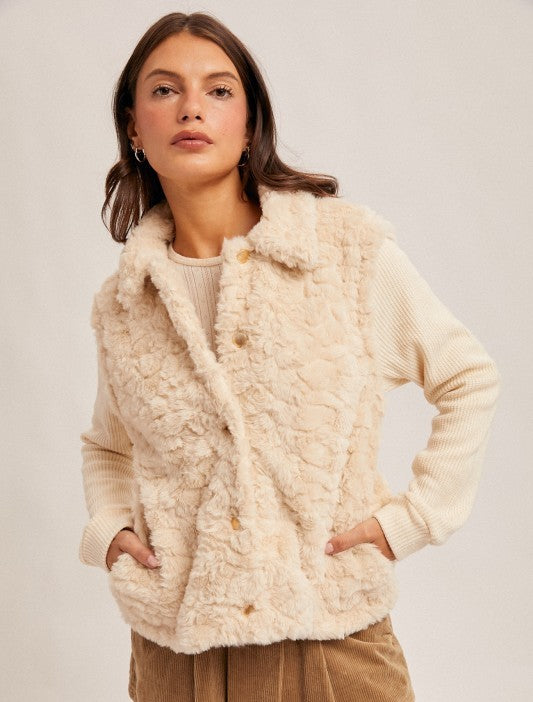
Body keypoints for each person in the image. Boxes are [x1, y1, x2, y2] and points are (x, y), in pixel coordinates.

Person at [78, 11, 501, 702]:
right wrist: (109, 530)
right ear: (133, 126)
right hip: (175, 656)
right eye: (164, 89)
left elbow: (467, 376)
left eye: (219, 90)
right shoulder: (126, 306)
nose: (191, 108)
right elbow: (108, 444)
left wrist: (412, 521)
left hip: (329, 647)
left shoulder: (342, 252)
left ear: (249, 125)